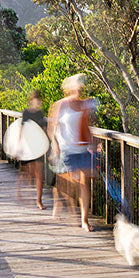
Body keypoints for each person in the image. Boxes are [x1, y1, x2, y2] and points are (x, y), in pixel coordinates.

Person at [48, 74, 95, 230]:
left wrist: (95, 145)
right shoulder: (60, 105)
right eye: (76, 86)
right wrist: (55, 148)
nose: (79, 89)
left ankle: (84, 220)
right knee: (66, 183)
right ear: (69, 88)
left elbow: (87, 127)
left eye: (81, 86)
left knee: (84, 183)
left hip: (83, 148)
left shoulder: (85, 104)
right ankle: (59, 204)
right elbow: (52, 128)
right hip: (66, 148)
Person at [17, 89, 47, 209]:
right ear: (32, 100)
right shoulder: (26, 113)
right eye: (37, 100)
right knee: (26, 173)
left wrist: (48, 144)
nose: (38, 103)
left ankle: (39, 201)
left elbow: (44, 129)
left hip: (38, 147)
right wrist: (19, 145)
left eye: (40, 101)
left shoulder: (41, 114)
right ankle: (19, 191)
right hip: (27, 146)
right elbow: (21, 129)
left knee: (39, 174)